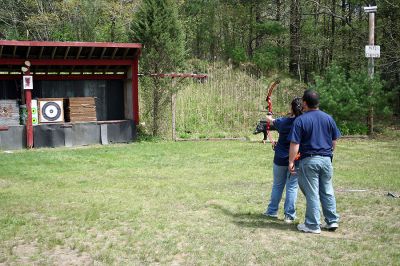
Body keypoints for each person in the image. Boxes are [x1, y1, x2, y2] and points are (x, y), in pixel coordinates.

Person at [288, 89, 341, 234]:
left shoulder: (300, 120)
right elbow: (334, 140)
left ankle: (312, 225)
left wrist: (291, 161)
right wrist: (329, 154)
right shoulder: (328, 118)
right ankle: (332, 221)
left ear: (304, 103)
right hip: (326, 160)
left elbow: (295, 143)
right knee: (327, 190)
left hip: (309, 160)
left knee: (312, 193)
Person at [264, 97, 303, 223]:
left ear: (292, 108)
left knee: (277, 185)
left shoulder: (284, 121)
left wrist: (269, 115)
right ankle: (289, 215)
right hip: (296, 158)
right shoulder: (303, 122)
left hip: (280, 158)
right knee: (292, 187)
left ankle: (272, 211)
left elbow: (270, 120)